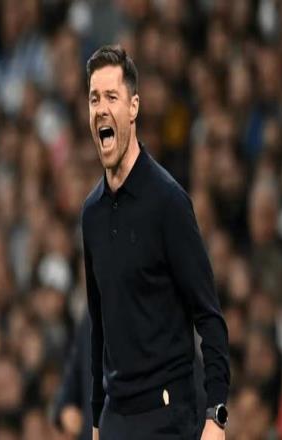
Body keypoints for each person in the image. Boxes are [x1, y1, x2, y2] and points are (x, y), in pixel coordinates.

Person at [81, 45, 230, 440]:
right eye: (94, 99)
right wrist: (95, 419)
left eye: (111, 97)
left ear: (133, 107)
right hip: (116, 417)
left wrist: (216, 415)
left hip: (168, 416)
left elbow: (208, 315)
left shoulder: (168, 202)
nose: (101, 109)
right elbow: (99, 325)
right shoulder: (91, 214)